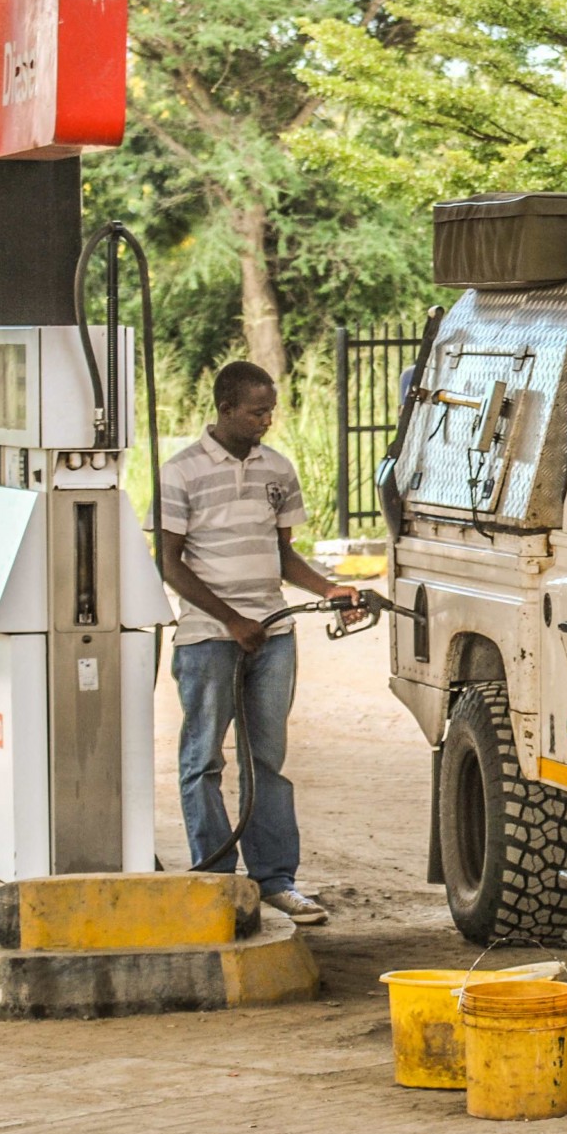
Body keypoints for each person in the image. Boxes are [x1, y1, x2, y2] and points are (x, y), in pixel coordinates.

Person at [158, 361, 360, 926]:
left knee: (266, 760)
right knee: (203, 760)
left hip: (275, 633)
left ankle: (275, 881)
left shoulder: (278, 469)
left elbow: (283, 555)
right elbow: (169, 565)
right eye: (256, 411)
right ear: (224, 409)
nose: (267, 420)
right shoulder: (181, 473)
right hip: (207, 638)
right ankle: (217, 879)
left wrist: (328, 588)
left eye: (271, 409)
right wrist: (230, 620)